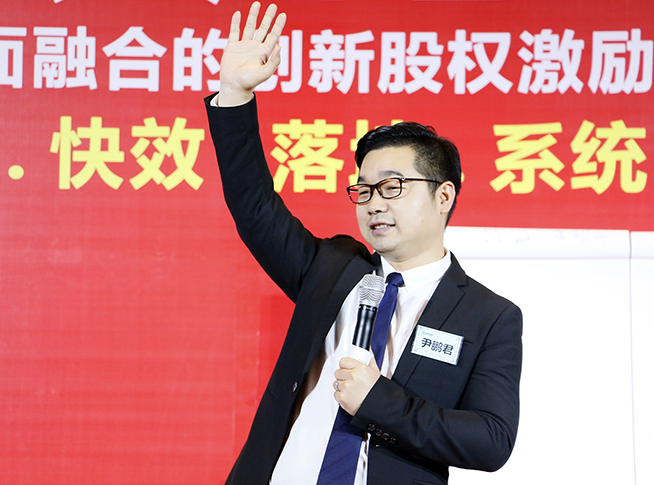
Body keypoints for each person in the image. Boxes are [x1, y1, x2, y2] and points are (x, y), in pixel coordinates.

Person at [204, 3, 523, 485]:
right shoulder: (331, 268)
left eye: (392, 186)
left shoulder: (488, 315)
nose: (374, 203)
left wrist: (380, 402)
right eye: (365, 189)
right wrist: (234, 94)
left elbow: (490, 439)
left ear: (443, 196)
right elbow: (254, 207)